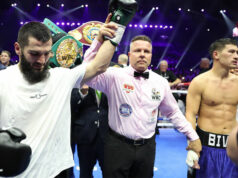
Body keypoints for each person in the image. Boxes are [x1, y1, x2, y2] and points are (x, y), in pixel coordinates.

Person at [0, 14, 118, 177]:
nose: (41, 60)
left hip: (56, 170)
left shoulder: (60, 77)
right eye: (34, 53)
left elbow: (99, 66)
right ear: (18, 48)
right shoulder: (2, 81)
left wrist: (116, 29)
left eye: (47, 53)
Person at [83, 35, 201, 178]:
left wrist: (193, 136)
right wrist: (98, 42)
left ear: (151, 55)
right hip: (117, 145)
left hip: (147, 147)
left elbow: (173, 113)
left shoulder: (160, 82)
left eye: (146, 51)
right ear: (130, 54)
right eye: (138, 50)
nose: (142, 54)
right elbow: (87, 73)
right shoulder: (114, 75)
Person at [186, 38, 238, 178]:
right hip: (206, 146)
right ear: (216, 55)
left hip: (233, 146)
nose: (236, 56)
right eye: (231, 52)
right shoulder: (200, 82)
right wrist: (192, 143)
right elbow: (190, 114)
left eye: (237, 52)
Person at [71, 85, 109, 178]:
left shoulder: (110, 81)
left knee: (109, 173)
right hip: (85, 136)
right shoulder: (80, 79)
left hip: (107, 136)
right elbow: (71, 106)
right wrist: (82, 93)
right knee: (85, 173)